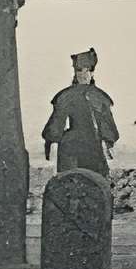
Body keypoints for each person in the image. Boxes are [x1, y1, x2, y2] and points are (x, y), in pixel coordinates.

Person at [42, 49, 120, 180]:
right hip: (72, 149)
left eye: (87, 70)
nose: (83, 75)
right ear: (75, 73)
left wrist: (108, 141)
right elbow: (56, 125)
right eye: (80, 71)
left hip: (93, 148)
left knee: (94, 184)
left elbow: (108, 127)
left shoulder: (100, 97)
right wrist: (51, 140)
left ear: (92, 72)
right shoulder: (66, 96)